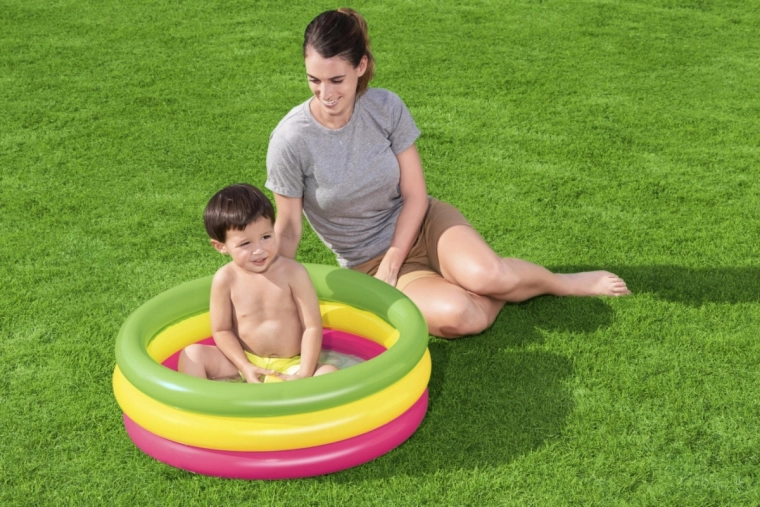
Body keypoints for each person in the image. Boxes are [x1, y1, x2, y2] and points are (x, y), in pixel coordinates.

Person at [266, 8, 630, 339]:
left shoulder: (385, 107)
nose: (325, 93)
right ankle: (493, 290)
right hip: (367, 263)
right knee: (460, 316)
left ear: (360, 66)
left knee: (489, 276)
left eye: (336, 80)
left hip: (424, 224)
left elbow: (415, 195)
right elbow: (289, 229)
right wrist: (273, 295)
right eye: (314, 80)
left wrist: (394, 260)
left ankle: (559, 282)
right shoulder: (291, 140)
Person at [178, 183, 337, 383]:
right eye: (245, 243)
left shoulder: (294, 273)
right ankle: (203, 403)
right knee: (192, 355)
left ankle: (301, 389)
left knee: (329, 373)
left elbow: (312, 327)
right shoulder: (225, 279)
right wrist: (244, 365)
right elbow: (222, 330)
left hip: (292, 364)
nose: (259, 250)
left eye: (266, 237)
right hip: (243, 361)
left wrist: (303, 373)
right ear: (220, 246)